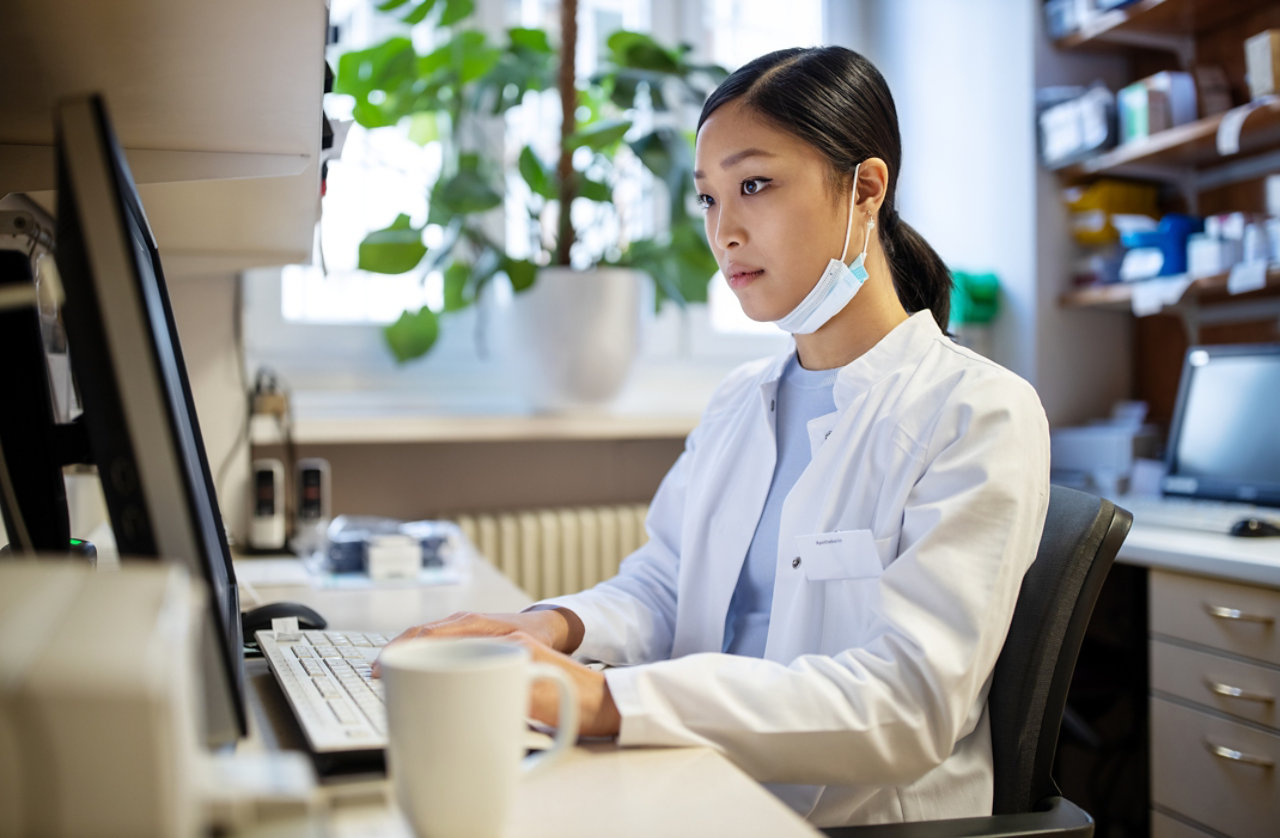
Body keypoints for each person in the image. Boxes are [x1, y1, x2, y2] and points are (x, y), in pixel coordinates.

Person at [384, 45, 1050, 827]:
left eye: (755, 186)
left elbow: (905, 705)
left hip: (845, 820)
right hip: (702, 780)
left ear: (866, 189)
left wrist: (601, 697)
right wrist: (551, 628)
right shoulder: (744, 399)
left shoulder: (977, 411)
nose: (724, 231)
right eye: (707, 198)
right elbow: (664, 583)